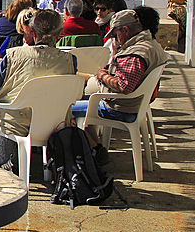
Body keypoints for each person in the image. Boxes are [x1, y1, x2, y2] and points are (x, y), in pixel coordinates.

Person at [0, 9, 78, 163]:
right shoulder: (70, 61)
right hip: (54, 122)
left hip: (15, 121)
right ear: (60, 32)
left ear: (32, 32)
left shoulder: (14, 55)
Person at [72, 9, 168, 166]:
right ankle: (97, 149)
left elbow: (124, 86)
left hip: (120, 107)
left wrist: (102, 76)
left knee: (67, 109)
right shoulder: (151, 45)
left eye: (116, 34)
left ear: (126, 30)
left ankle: (93, 150)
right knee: (82, 100)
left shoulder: (135, 54)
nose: (115, 39)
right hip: (133, 103)